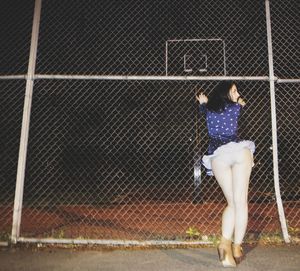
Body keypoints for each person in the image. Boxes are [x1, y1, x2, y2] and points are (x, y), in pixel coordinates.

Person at [196, 81, 255, 267]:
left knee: (232, 203)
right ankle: (236, 246)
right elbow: (242, 104)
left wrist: (203, 103)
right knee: (241, 202)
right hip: (238, 151)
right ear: (226, 93)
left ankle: (224, 244)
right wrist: (238, 98)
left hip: (218, 155)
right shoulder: (236, 105)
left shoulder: (207, 110)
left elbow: (204, 110)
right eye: (234, 90)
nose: (237, 93)